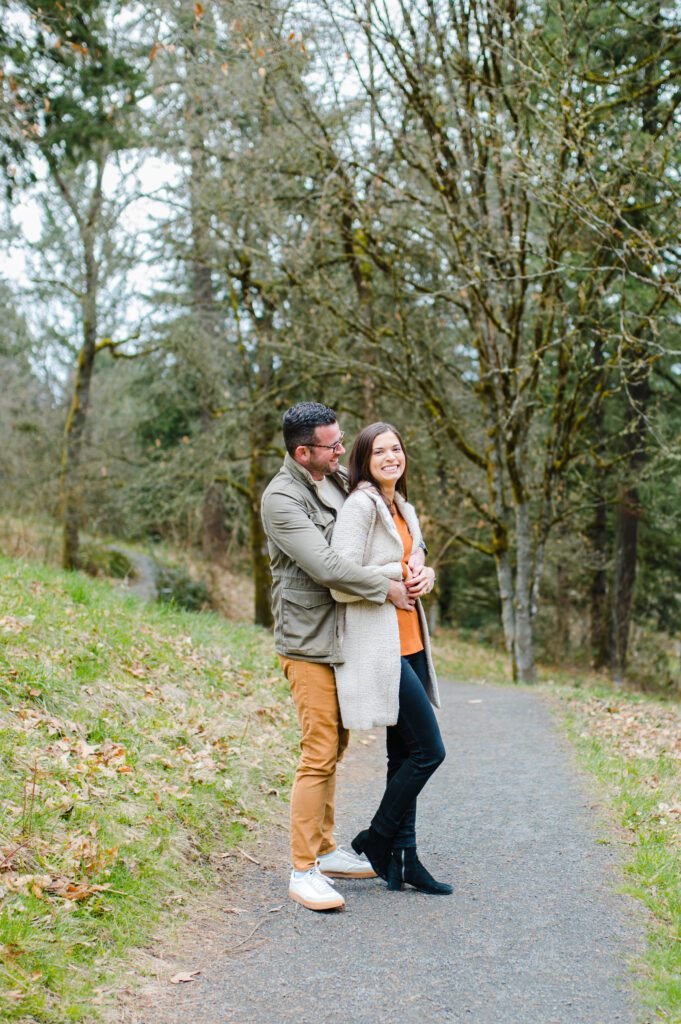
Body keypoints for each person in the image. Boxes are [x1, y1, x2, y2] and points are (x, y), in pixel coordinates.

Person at [260, 402, 422, 912]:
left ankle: (326, 850)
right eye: (332, 445)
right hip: (307, 641)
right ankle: (301, 869)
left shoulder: (331, 480)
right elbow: (329, 566)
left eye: (340, 440)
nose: (340, 450)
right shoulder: (281, 499)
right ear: (302, 451)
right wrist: (389, 588)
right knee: (318, 748)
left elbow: (370, 540)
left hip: (344, 636)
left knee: (338, 744)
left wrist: (416, 566)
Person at [330, 422, 452, 895]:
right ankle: (376, 839)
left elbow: (415, 562)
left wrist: (427, 576)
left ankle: (405, 861)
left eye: (396, 448)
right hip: (380, 647)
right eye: (379, 451)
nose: (390, 457)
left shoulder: (403, 506)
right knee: (429, 752)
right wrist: (393, 576)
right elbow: (341, 579)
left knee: (402, 754)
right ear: (364, 458)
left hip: (412, 642)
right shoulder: (360, 506)